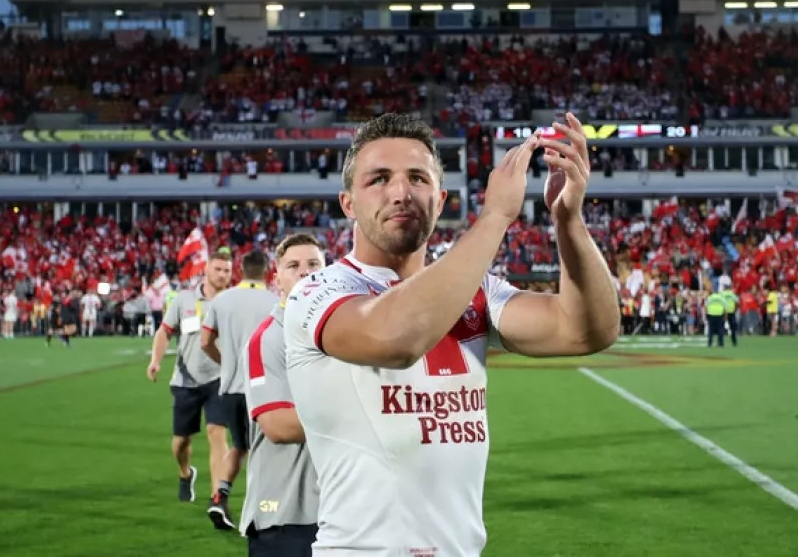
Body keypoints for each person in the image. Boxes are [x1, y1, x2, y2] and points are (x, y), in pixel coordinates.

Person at [283, 112, 619, 555]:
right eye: (379, 179)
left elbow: (586, 330)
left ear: (440, 200)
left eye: (417, 178)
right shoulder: (318, 291)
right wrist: (496, 216)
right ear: (348, 204)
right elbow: (396, 338)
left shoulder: (474, 289)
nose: (400, 193)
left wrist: (568, 222)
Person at [241, 233, 326, 556]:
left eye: (313, 264)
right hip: (284, 511)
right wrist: (358, 415)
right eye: (293, 266)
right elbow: (277, 426)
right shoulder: (268, 338)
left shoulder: (340, 334)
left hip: (338, 509)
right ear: (277, 278)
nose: (305, 272)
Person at [200, 249, 279, 531]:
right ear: (269, 271)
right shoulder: (276, 301)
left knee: (239, 447)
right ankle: (266, 510)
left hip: (232, 388)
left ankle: (219, 498)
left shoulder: (222, 300)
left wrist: (227, 362)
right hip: (266, 388)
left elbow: (205, 340)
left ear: (240, 271)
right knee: (268, 452)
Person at [147, 249, 233, 506]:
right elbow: (164, 332)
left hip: (220, 377)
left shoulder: (232, 301)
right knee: (181, 443)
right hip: (186, 379)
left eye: (227, 270)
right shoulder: (184, 299)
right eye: (217, 269)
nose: (222, 275)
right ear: (206, 269)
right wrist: (155, 361)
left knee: (217, 433)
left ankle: (218, 498)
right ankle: (186, 474)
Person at [720, 282, 739, 347]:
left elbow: (720, 302)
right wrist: (735, 309)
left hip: (723, 312)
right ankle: (734, 342)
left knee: (721, 327)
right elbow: (737, 302)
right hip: (731, 312)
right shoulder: (732, 294)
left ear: (724, 288)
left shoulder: (722, 294)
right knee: (732, 328)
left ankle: (721, 343)